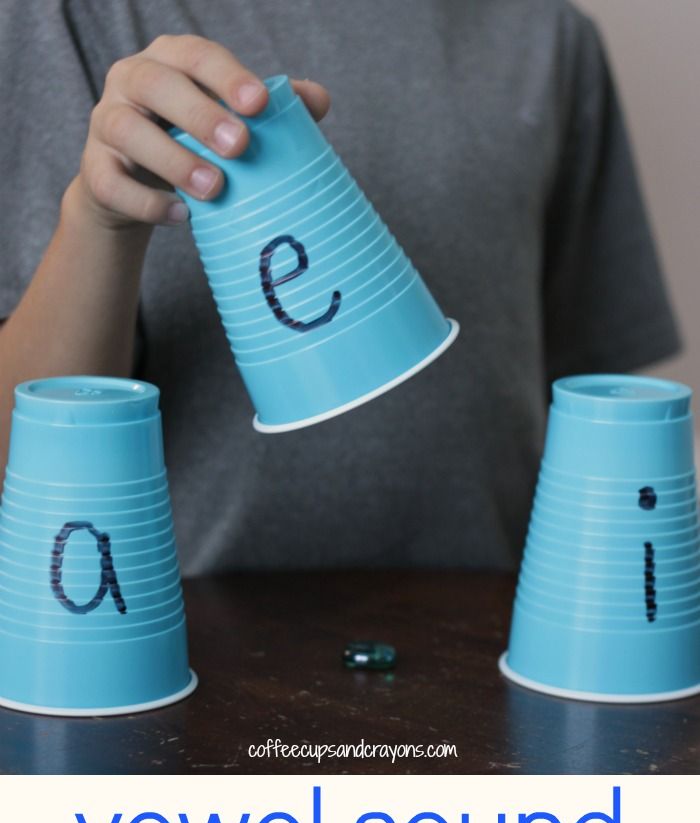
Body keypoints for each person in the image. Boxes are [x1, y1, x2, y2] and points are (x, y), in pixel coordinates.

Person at [0, 0, 680, 576]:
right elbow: (16, 462)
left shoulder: (545, 31)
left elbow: (598, 415)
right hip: (185, 655)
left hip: (488, 632)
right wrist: (99, 222)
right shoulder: (68, 18)